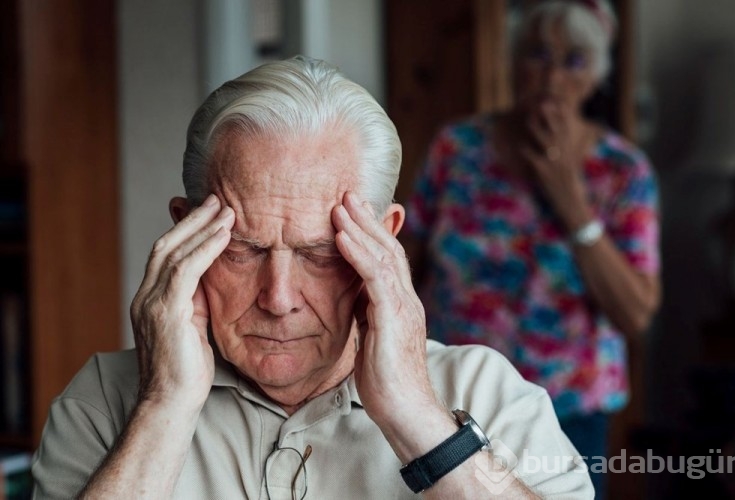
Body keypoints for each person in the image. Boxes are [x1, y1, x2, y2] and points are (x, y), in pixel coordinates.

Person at [31, 56, 593, 499]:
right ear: (185, 235)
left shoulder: (487, 393)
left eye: (321, 255)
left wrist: (416, 416)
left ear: (385, 241)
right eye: (244, 250)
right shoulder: (105, 400)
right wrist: (163, 407)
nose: (279, 300)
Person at [401, 1, 660, 498]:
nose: (551, 75)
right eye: (538, 54)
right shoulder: (457, 148)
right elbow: (406, 262)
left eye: (575, 60)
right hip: (454, 394)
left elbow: (636, 314)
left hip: (570, 409)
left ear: (597, 78)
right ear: (513, 62)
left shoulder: (623, 171)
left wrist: (571, 199)